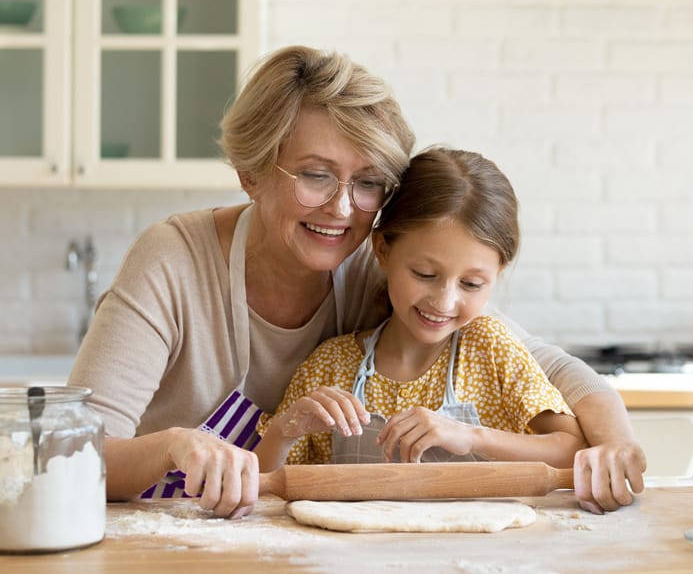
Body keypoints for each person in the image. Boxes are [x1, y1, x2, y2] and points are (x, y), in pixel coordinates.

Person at [67, 44, 646, 519]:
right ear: (250, 171)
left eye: (367, 182)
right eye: (316, 176)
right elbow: (74, 452)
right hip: (159, 539)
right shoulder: (173, 262)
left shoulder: (375, 264)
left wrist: (616, 444)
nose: (342, 208)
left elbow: (550, 366)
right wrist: (173, 444)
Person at [254, 147, 587, 471]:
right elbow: (265, 483)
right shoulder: (331, 366)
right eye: (425, 275)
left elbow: (572, 449)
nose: (444, 301)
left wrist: (472, 438)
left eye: (471, 284)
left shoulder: (490, 350)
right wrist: (285, 431)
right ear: (383, 250)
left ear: (497, 274)